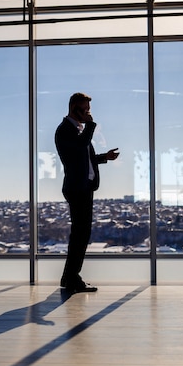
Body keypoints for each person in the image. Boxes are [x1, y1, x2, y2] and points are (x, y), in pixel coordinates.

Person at [54, 92, 119, 294]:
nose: (88, 113)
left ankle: (69, 277)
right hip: (77, 188)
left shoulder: (79, 132)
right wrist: (91, 126)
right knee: (80, 235)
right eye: (85, 109)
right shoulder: (66, 130)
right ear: (74, 108)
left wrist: (105, 157)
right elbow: (79, 148)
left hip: (84, 187)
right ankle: (72, 277)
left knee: (81, 235)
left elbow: (85, 157)